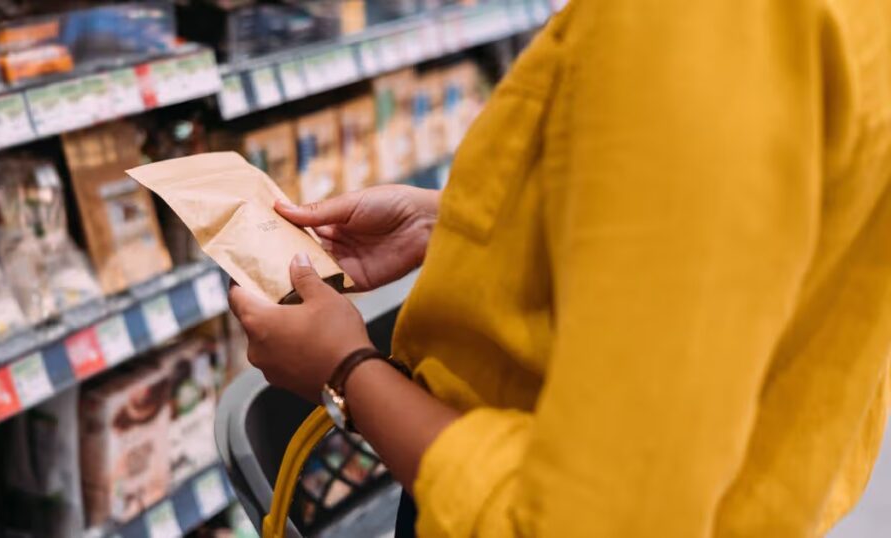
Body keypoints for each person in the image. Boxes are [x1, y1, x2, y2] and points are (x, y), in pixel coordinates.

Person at [228, 1, 891, 536]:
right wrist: (459, 222)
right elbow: (746, 235)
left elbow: (600, 521)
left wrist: (346, 370)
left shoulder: (704, 23)